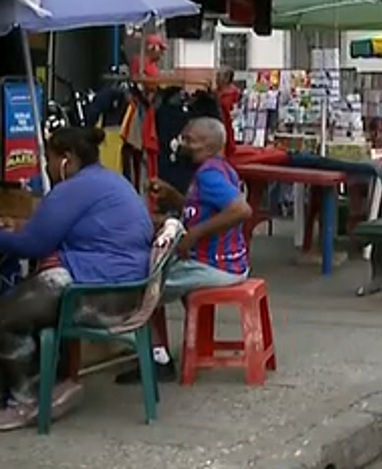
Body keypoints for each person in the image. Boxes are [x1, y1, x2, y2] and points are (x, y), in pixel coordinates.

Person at [0, 127, 153, 430]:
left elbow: (33, 244)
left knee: (6, 317)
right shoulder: (109, 180)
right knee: (26, 301)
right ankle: (52, 383)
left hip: (99, 294)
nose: (47, 169)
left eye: (50, 162)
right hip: (126, 288)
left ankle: (27, 400)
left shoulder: (73, 189)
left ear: (66, 159)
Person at [115, 117, 252, 384]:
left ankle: (156, 359)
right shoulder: (218, 169)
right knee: (155, 273)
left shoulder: (209, 174)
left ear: (206, 144)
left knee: (138, 287)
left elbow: (241, 210)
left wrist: (193, 236)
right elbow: (200, 208)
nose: (181, 144)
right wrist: (173, 196)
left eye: (189, 140)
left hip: (214, 266)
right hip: (227, 263)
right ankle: (168, 349)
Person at [215, 67, 241, 160]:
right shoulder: (216, 92)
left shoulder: (232, 93)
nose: (216, 78)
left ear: (226, 78)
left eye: (219, 76)